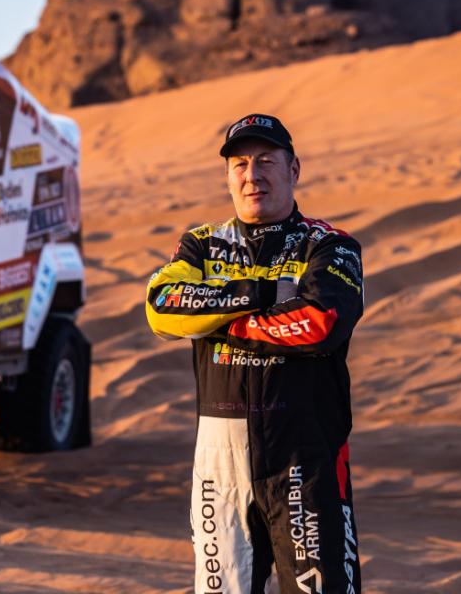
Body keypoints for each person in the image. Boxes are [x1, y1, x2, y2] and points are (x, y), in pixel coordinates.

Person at [145, 113, 364, 593]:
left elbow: (321, 323)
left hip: (305, 453)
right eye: (240, 164)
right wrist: (257, 295)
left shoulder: (330, 245)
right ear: (227, 176)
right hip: (218, 458)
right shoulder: (201, 245)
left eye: (266, 161)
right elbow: (161, 307)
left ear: (293, 169)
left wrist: (218, 320)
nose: (252, 175)